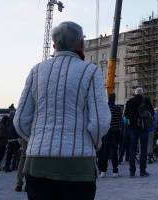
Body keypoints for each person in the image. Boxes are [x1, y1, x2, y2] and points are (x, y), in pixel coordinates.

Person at [14, 21, 110, 200]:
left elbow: (20, 121)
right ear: (81, 44)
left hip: (37, 163)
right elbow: (99, 121)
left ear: (54, 45)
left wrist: (38, 139)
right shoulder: (90, 71)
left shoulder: (36, 71)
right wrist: (93, 143)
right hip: (77, 164)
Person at [123, 87, 154, 177]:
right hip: (144, 128)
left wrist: (133, 119)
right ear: (142, 93)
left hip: (133, 128)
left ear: (135, 93)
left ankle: (132, 171)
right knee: (143, 150)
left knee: (132, 149)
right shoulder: (146, 100)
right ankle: (142, 171)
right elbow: (151, 113)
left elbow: (125, 115)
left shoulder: (129, 102)